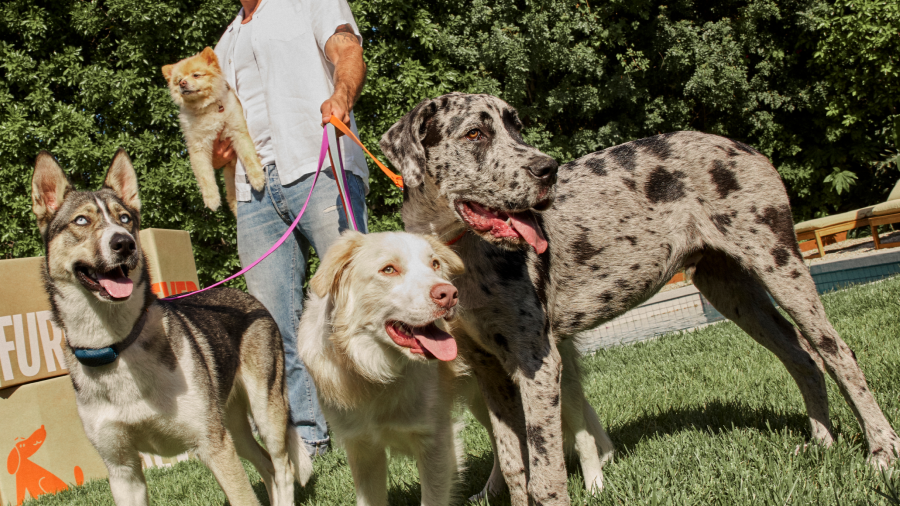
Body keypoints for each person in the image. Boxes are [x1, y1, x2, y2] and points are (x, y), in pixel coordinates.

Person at [212, 0, 369, 457]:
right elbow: (219, 131)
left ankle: (372, 422)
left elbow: (348, 50)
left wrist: (341, 95)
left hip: (319, 163)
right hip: (254, 189)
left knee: (353, 300)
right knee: (272, 321)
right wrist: (218, 150)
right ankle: (309, 438)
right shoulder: (226, 42)